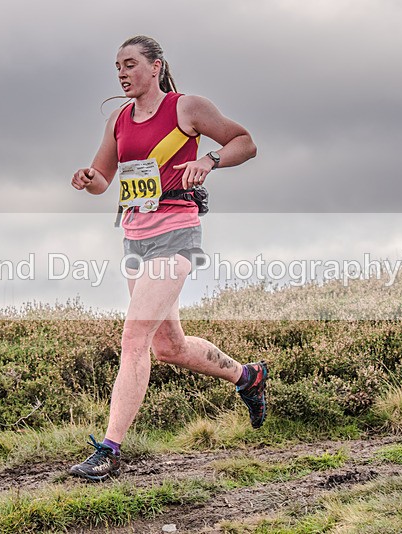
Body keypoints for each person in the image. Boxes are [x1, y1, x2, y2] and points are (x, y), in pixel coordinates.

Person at [68, 35, 265, 482]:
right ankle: (248, 377)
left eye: (131, 63)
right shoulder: (119, 120)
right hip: (134, 237)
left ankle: (109, 450)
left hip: (176, 233)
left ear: (155, 67)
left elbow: (245, 143)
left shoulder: (186, 108)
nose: (121, 72)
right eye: (117, 65)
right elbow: (104, 178)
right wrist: (88, 178)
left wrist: (211, 160)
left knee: (134, 339)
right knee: (167, 346)